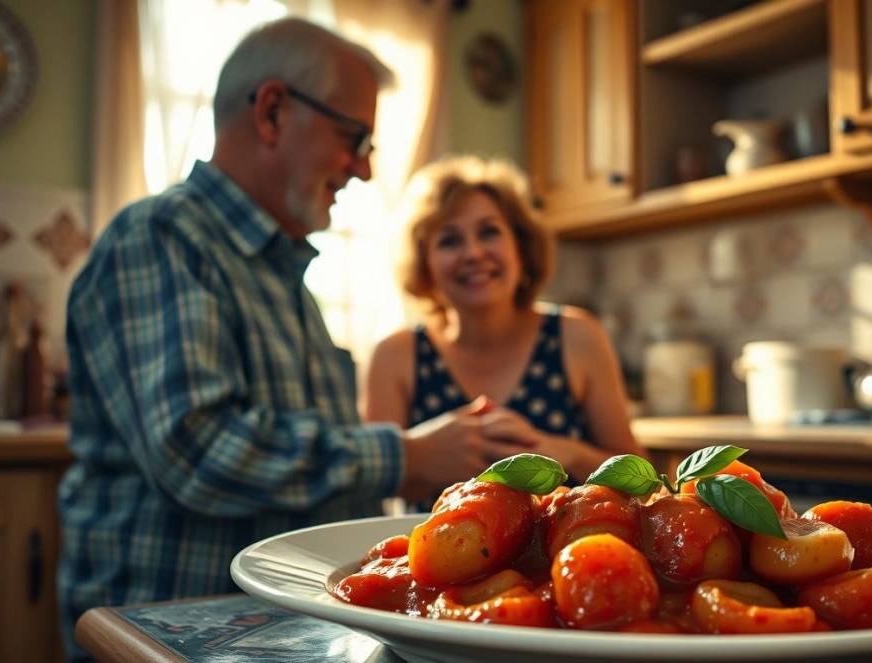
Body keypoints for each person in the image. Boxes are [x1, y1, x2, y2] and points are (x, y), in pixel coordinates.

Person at [57, 19, 529, 661]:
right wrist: (408, 457)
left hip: (271, 629)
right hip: (174, 628)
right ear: (274, 111)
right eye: (354, 137)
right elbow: (198, 450)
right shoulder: (161, 237)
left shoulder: (287, 284)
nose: (363, 168)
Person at [364, 156, 644, 488]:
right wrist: (432, 456)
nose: (473, 253)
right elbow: (376, 485)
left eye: (489, 232)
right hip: (435, 540)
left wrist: (565, 452)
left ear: (521, 247)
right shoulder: (395, 354)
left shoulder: (578, 336)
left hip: (562, 542)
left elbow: (639, 478)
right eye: (449, 240)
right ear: (424, 263)